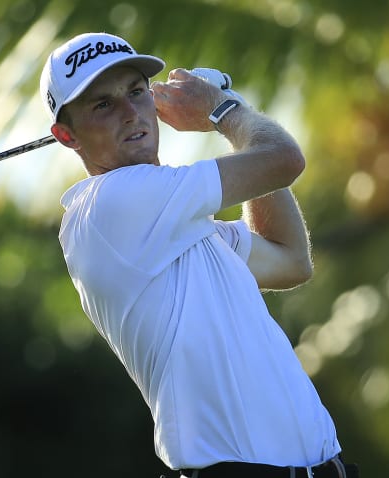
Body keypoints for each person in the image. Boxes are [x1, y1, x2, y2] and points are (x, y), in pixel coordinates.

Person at [40, 32, 357, 478]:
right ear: (66, 135)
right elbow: (284, 158)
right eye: (103, 105)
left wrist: (229, 112)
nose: (132, 113)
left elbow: (290, 260)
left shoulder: (181, 227)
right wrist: (224, 111)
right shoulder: (112, 205)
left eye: (136, 93)